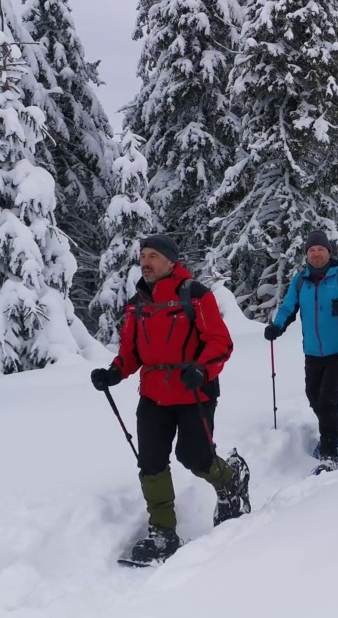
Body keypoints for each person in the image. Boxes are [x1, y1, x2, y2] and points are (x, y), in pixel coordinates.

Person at [90, 235, 250, 566]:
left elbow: (220, 342)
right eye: (142, 256)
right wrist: (114, 372)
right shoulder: (138, 302)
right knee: (150, 462)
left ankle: (230, 480)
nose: (145, 262)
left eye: (152, 256)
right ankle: (163, 532)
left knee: (195, 456)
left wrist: (202, 370)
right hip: (153, 393)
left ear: (171, 262)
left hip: (194, 390)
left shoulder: (195, 295)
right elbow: (130, 351)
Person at [263, 230, 338, 471]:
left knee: (327, 399)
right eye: (311, 250)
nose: (316, 254)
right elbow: (288, 307)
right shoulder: (301, 281)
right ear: (307, 255)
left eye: (320, 249)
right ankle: (332, 428)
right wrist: (277, 326)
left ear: (328, 252)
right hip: (312, 351)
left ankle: (330, 451)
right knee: (313, 396)